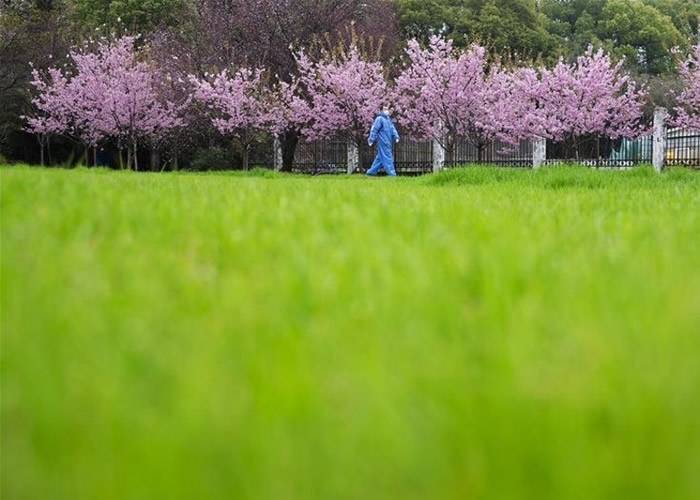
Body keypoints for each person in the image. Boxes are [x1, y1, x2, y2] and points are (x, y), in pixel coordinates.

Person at [366, 105, 400, 176]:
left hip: (388, 141)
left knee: (380, 158)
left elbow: (392, 129)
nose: (387, 110)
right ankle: (392, 174)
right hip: (383, 142)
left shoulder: (388, 119)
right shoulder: (379, 119)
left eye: (387, 109)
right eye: (385, 109)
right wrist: (371, 139)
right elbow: (374, 129)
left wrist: (396, 136)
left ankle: (370, 173)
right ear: (381, 110)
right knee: (388, 157)